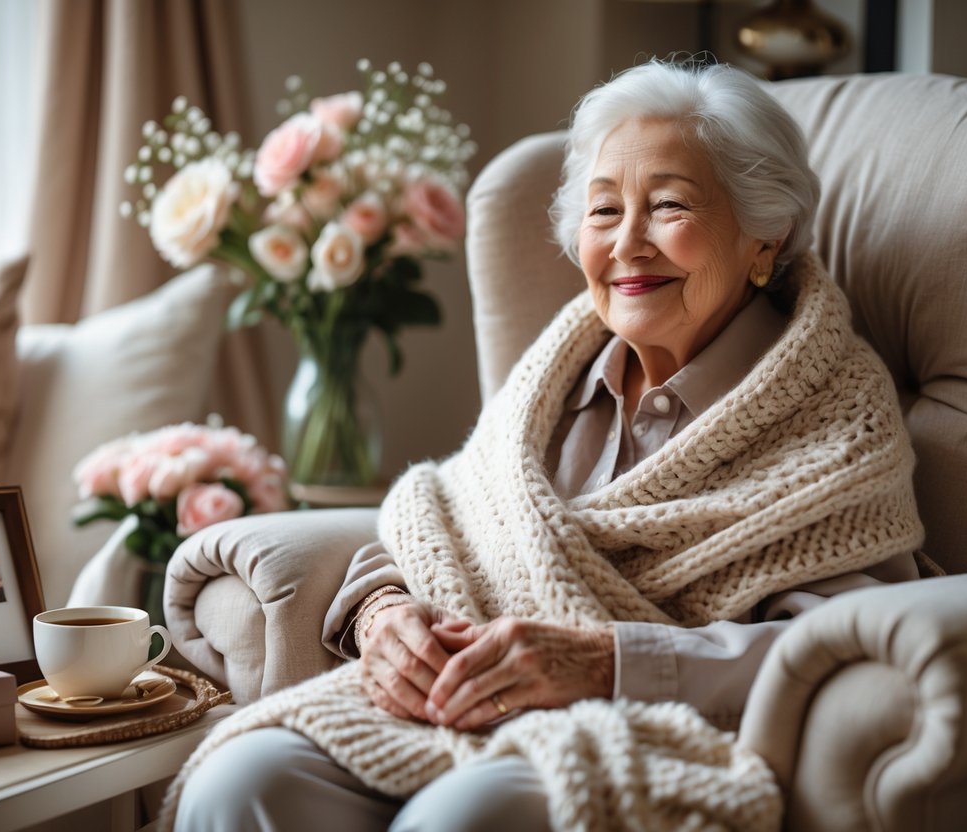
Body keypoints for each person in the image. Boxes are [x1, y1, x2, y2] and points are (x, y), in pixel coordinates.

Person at [168, 59, 925, 831]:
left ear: (765, 237)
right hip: (456, 705)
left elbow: (848, 646)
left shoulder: (833, 417)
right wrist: (383, 613)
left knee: (463, 818)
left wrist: (608, 664)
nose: (627, 242)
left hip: (660, 729)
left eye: (667, 205)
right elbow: (446, 522)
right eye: (603, 211)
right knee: (238, 780)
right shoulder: (555, 378)